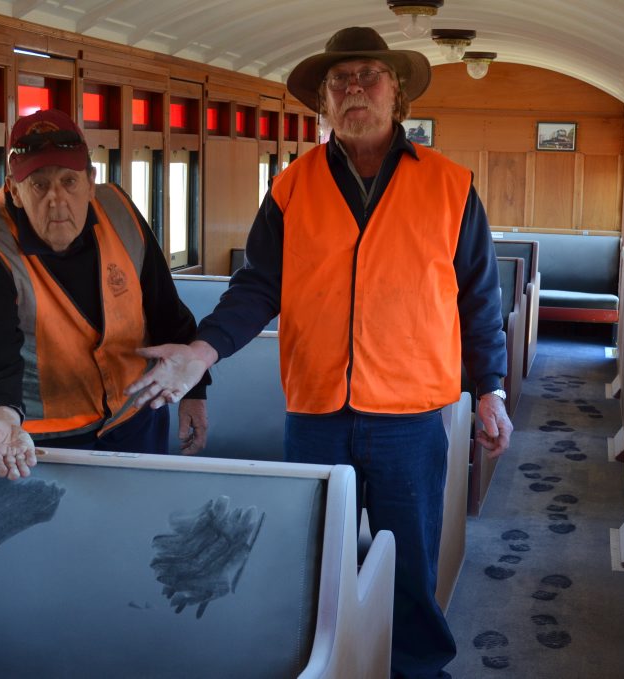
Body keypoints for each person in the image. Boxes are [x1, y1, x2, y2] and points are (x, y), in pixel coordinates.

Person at [125, 27, 512, 678]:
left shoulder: (451, 186)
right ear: (323, 103)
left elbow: (479, 297)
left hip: (411, 417)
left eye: (369, 75)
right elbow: (256, 288)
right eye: (340, 81)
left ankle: (418, 670)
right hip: (316, 412)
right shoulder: (291, 187)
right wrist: (201, 352)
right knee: (314, 565)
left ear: (399, 95)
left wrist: (491, 389)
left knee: (410, 569)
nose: (354, 90)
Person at [0, 108, 209, 482]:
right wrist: (0, 414)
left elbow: (164, 306)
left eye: (69, 181)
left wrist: (195, 391)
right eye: (39, 185)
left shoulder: (120, 212)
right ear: (15, 190)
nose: (57, 199)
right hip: (43, 437)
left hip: (137, 411)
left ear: (90, 180)